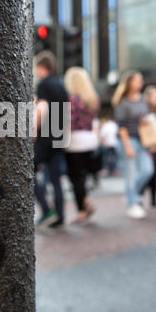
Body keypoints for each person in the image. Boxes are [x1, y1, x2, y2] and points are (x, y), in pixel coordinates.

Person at [112, 71, 154, 219]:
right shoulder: (122, 102)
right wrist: (127, 146)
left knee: (148, 170)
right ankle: (132, 204)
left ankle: (131, 194)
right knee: (130, 174)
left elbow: (144, 117)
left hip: (141, 139)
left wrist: (144, 122)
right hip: (128, 139)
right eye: (137, 80)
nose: (140, 83)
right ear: (129, 83)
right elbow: (121, 126)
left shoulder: (142, 99)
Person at [34, 51, 68, 229]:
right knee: (56, 180)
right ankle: (60, 216)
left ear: (42, 67)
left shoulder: (44, 85)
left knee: (27, 172)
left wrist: (34, 131)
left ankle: (47, 210)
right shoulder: (61, 85)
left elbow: (42, 109)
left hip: (46, 137)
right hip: (59, 136)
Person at [64, 67, 100, 224]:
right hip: (90, 139)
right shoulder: (91, 98)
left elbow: (70, 123)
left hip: (75, 141)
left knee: (76, 177)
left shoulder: (72, 100)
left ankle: (81, 210)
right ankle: (85, 203)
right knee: (82, 176)